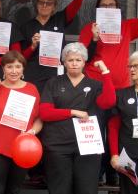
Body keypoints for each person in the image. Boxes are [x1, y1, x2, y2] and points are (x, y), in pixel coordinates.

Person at [78, 0, 138, 186]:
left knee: (116, 130)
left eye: (111, 5)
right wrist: (95, 39)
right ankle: (94, 174)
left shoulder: (126, 26)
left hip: (120, 89)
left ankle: (114, 172)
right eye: (103, 5)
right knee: (94, 131)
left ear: (117, 9)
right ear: (97, 9)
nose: (107, 8)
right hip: (95, 87)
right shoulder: (90, 28)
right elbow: (83, 57)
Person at [39, 42, 115, 194]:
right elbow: (45, 113)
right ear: (64, 62)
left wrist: (105, 72)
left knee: (86, 190)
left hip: (88, 146)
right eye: (70, 60)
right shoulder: (53, 83)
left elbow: (108, 102)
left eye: (78, 60)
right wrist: (73, 112)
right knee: (59, 190)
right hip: (58, 146)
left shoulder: (95, 84)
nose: (74, 63)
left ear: (84, 62)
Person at [0, 50, 42, 194]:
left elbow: (38, 119)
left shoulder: (32, 89)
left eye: (18, 67)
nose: (14, 71)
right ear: (3, 69)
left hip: (22, 148)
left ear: (23, 69)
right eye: (9, 67)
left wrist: (32, 132)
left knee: (15, 190)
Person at [20, 0, 83, 93]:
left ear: (54, 6)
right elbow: (21, 58)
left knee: (53, 107)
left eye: (49, 3)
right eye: (41, 2)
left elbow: (77, 3)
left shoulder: (60, 19)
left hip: (55, 74)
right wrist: (32, 46)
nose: (44, 6)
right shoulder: (27, 26)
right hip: (33, 75)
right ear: (36, 4)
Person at [108, 50, 138, 194]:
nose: (132, 70)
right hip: (128, 157)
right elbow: (113, 127)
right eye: (130, 66)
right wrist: (114, 154)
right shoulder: (122, 94)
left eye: (136, 66)